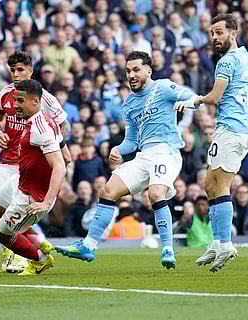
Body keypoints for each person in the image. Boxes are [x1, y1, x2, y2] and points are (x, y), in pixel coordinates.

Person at [55, 51, 199, 269]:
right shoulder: (129, 103)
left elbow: (191, 96)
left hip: (166, 151)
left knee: (156, 193)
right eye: (128, 71)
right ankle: (89, 245)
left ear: (148, 71)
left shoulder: (163, 87)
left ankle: (168, 248)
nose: (131, 74)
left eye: (136, 70)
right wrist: (118, 149)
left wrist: (186, 103)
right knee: (107, 190)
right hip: (143, 155)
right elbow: (131, 140)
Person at [0, 51, 69, 273]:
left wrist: (60, 148)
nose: (16, 74)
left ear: (30, 71)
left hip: (29, 167)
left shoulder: (45, 100)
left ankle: (18, 254)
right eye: (13, 70)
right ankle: (34, 241)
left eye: (21, 70)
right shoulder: (5, 95)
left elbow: (63, 127)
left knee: (6, 221)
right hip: (8, 162)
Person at [189, 14, 248, 272]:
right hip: (239, 130)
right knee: (210, 184)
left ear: (233, 33)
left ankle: (226, 243)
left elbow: (215, 96)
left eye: (219, 32)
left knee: (221, 185)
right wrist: (246, 109)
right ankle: (216, 242)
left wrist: (196, 100)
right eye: (212, 33)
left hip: (231, 130)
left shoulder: (226, 62)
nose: (214, 37)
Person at [0, 79, 65, 276]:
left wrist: (47, 201)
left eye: (21, 101)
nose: (15, 105)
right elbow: (66, 155)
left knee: (1, 233)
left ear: (35, 101)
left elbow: (60, 165)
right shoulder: (40, 121)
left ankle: (40, 259)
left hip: (32, 197)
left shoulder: (40, 129)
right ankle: (39, 241)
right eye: (15, 100)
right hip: (20, 182)